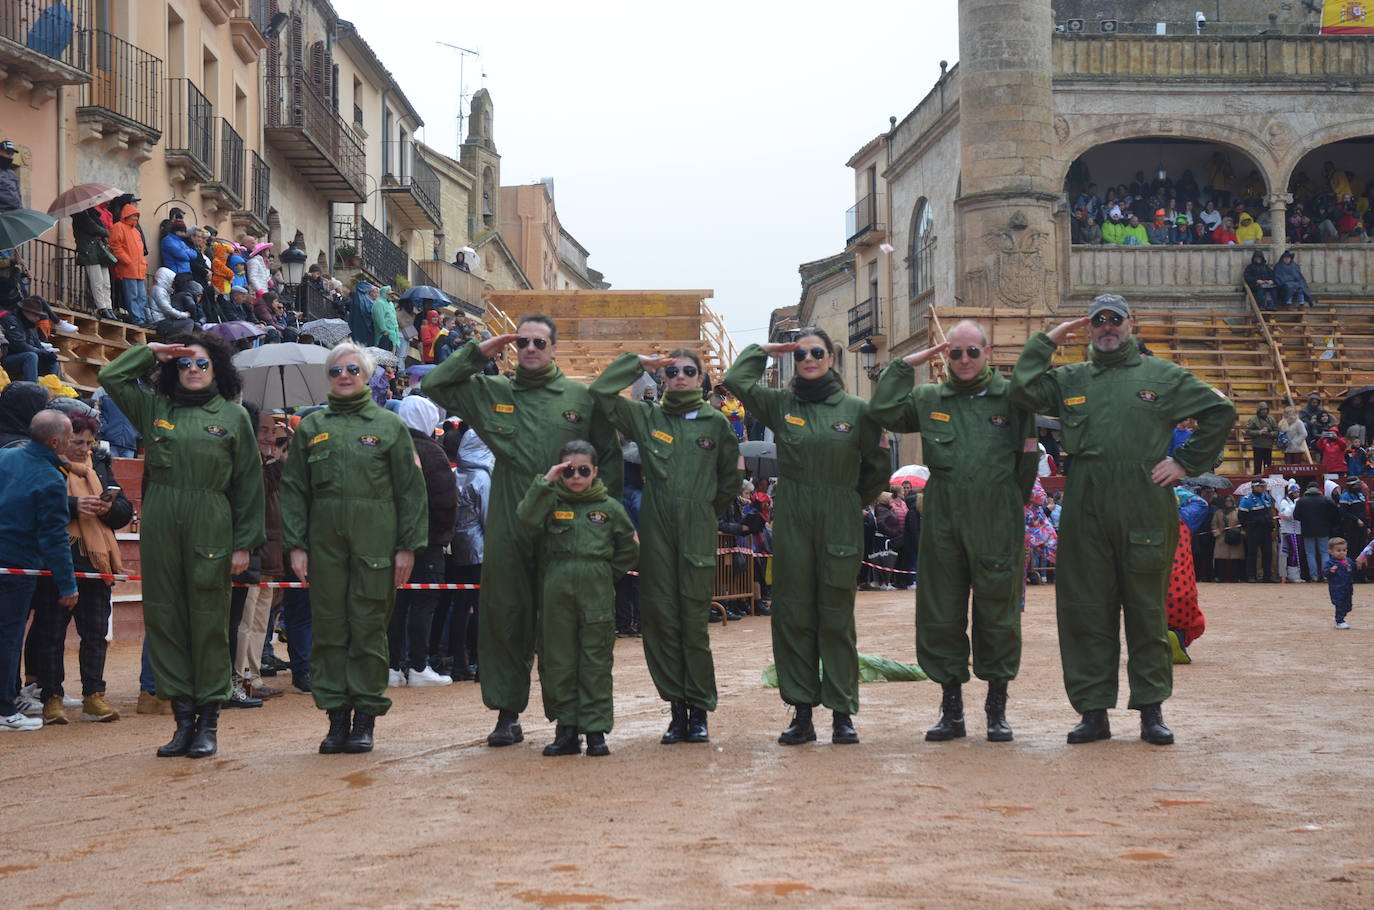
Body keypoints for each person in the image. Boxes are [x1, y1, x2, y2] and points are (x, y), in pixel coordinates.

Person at [1010, 294, 1235, 746]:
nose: (1107, 327)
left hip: (1144, 495)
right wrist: (1048, 340)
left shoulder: (1162, 375)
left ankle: (1151, 711)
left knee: (1147, 610)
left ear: (1131, 324)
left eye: (1115, 320)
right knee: (1085, 610)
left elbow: (1219, 411)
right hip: (1086, 496)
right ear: (1089, 328)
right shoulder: (1069, 377)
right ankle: (1093, 712)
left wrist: (1185, 463)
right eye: (1099, 321)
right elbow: (1021, 390)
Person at [422, 314, 621, 748]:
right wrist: (480, 351)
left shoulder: (579, 398)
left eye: (539, 342)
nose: (530, 348)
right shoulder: (493, 391)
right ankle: (507, 712)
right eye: (523, 342)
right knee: (504, 616)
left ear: (554, 350)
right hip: (510, 511)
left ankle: (568, 718)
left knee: (562, 623)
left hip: (565, 519)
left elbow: (608, 456)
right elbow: (435, 385)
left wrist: (603, 519)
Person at [98, 334, 264, 759]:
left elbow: (248, 485)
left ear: (217, 370)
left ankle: (208, 722)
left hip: (211, 518)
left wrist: (243, 545)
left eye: (202, 363)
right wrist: (152, 352)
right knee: (165, 620)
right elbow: (111, 375)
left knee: (208, 623)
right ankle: (181, 721)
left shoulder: (233, 416)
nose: (193, 369)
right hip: (161, 520)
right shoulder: (155, 408)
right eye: (185, 363)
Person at [869, 319, 1035, 742]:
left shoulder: (1013, 398)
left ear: (988, 353)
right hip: (943, 517)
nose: (963, 360)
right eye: (954, 352)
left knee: (997, 614)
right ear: (946, 356)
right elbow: (885, 411)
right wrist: (906, 366)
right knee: (940, 613)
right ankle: (952, 710)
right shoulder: (928, 398)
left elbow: (1027, 462)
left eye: (971, 352)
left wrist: (1003, 505)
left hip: (996, 515)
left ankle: (997, 708)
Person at [724, 328, 888, 746]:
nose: (808, 359)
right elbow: (738, 382)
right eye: (800, 355)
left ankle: (842, 714)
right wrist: (762, 350)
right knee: (793, 616)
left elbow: (877, 464)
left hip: (838, 517)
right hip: (794, 517)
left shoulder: (857, 410)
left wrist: (851, 501)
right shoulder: (782, 404)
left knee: (836, 618)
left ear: (831, 357)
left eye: (816, 352)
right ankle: (801, 713)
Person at [279, 343, 428, 754]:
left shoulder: (389, 426)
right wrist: (297, 545)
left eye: (351, 370)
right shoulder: (310, 427)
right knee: (329, 630)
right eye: (335, 371)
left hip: (376, 545)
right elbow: (294, 492)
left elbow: (411, 492)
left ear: (366, 376)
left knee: (367, 630)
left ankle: (364, 718)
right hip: (324, 547)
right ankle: (335, 718)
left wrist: (408, 547)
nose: (344, 376)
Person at [590, 349, 741, 744]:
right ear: (663, 377)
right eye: (671, 371)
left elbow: (728, 481)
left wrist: (704, 513)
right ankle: (676, 710)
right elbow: (603, 394)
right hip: (656, 526)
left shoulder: (717, 424)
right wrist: (637, 362)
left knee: (693, 623)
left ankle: (700, 710)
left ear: (701, 378)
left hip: (694, 527)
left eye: (688, 371)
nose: (679, 377)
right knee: (660, 622)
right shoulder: (648, 417)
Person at [517, 441, 638, 756]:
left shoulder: (609, 507)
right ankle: (567, 730)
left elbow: (630, 546)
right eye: (569, 470)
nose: (576, 476)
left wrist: (607, 575)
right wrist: (546, 481)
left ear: (595, 471)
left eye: (584, 470)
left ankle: (595, 731)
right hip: (557, 587)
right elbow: (526, 520)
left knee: (595, 660)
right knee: (559, 660)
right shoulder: (549, 500)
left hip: (595, 586)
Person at [28, 412, 132, 724]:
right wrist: (75, 506)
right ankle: (51, 697)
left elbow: (124, 510)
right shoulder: (46, 464)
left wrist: (108, 507)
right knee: (51, 633)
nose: (83, 448)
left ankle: (93, 696)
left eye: (88, 442)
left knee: (96, 633)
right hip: (57, 562)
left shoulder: (98, 464)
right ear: (59, 439)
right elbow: (37, 502)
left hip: (96, 562)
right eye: (77, 441)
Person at [0, 411, 78, 733]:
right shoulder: (50, 478)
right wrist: (67, 584)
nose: (73, 441)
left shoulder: (4, 456)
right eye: (70, 436)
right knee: (7, 638)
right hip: (17, 566)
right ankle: (5, 708)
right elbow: (54, 537)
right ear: (55, 441)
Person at [387, 394, 458, 687]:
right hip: (427, 541)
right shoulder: (431, 451)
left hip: (392, 538)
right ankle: (417, 665)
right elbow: (444, 501)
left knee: (397, 604)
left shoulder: (391, 446)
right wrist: (443, 535)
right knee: (423, 602)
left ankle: (391, 667)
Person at [1, 297, 61, 382]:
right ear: (25, 311)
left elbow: (37, 344)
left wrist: (46, 354)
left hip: (25, 358)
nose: (38, 318)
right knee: (31, 356)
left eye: (39, 315)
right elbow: (18, 345)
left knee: (52, 362)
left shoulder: (30, 325)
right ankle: (31, 388)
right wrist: (41, 352)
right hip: (7, 359)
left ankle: (52, 388)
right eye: (35, 315)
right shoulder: (10, 320)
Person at [107, 204, 148, 325]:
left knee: (142, 297)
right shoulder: (118, 227)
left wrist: (143, 263)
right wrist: (127, 260)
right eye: (133, 215)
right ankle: (137, 319)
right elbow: (115, 246)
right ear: (127, 215)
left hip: (139, 269)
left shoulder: (136, 231)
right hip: (128, 268)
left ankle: (141, 318)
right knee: (133, 296)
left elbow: (140, 251)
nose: (135, 218)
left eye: (137, 216)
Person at [1295, 482, 1340, 581]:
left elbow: (1296, 516)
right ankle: (1325, 575)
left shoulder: (1301, 501)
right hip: (1323, 530)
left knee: (1310, 553)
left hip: (1307, 530)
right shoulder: (1325, 500)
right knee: (1324, 552)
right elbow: (1335, 513)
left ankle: (1314, 576)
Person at [1238, 478, 1278, 583]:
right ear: (1253, 487)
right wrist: (1249, 528)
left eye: (1263, 486)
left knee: (1268, 553)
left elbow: (1271, 512)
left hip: (1266, 530)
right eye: (1260, 486)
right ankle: (1251, 576)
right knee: (1252, 554)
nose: (1263, 488)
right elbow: (1241, 517)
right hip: (1254, 531)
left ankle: (1267, 576)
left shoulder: (1267, 497)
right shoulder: (1246, 500)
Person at [1209, 493, 1245, 582]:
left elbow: (1243, 523)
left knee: (1235, 559)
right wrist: (1217, 533)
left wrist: (1242, 533)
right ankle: (1219, 576)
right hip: (1221, 537)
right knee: (1220, 559)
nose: (1228, 502)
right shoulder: (1219, 512)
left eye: (1230, 501)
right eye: (1226, 501)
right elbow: (1214, 524)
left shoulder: (1238, 511)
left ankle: (1236, 577)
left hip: (1235, 537)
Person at [1277, 482, 1305, 584]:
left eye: (1298, 492)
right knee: (1293, 551)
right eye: (1295, 492)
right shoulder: (1284, 502)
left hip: (1298, 530)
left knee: (1298, 552)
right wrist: (1295, 506)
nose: (1297, 494)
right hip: (1289, 531)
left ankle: (1296, 573)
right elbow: (1287, 515)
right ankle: (1293, 575)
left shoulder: (1298, 501)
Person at [1325, 538, 1354, 630]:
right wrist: (1331, 570)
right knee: (1340, 604)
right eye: (1338, 550)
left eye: (1344, 550)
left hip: (1348, 587)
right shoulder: (1330, 563)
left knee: (1348, 606)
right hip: (1336, 588)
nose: (1342, 552)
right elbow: (1325, 573)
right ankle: (1340, 621)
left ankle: (1339, 616)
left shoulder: (1348, 561)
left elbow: (1354, 568)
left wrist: (1357, 565)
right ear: (1331, 552)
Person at [1244, 402, 1278, 473]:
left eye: (1266, 409)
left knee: (1268, 466)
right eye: (1262, 410)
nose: (1264, 411)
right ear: (1259, 410)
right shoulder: (1253, 420)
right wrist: (1259, 432)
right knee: (1257, 465)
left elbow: (1277, 431)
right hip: (1257, 446)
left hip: (1268, 446)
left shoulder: (1271, 419)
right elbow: (1247, 431)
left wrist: (1270, 433)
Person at [0, 140, 21, 213]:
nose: (10, 157)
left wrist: (21, 210)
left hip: (15, 213)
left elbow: (18, 195)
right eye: (8, 153)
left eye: (12, 154)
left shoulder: (13, 174)